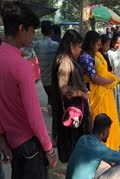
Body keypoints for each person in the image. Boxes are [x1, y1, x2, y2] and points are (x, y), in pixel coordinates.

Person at [0, 2, 57, 179]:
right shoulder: (21, 66)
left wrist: (2, 138)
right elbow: (34, 117)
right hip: (30, 146)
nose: (33, 36)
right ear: (21, 28)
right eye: (32, 30)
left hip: (13, 144)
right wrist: (49, 150)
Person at [52, 29, 91, 163]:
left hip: (74, 109)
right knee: (73, 144)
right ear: (71, 46)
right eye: (79, 47)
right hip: (72, 111)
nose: (80, 50)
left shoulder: (69, 59)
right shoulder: (64, 61)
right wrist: (81, 93)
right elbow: (63, 89)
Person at [83, 31, 120, 151]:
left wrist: (111, 78)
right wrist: (111, 82)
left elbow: (102, 72)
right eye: (97, 44)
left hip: (104, 92)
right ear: (90, 43)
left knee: (109, 119)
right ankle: (101, 147)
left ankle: (110, 144)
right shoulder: (86, 57)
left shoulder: (97, 54)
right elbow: (95, 78)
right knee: (100, 121)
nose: (99, 47)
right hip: (98, 94)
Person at [34, 20, 59, 115]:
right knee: (53, 97)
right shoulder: (55, 45)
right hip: (53, 78)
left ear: (41, 31)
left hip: (44, 78)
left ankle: (51, 108)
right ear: (52, 31)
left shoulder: (36, 44)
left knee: (50, 96)